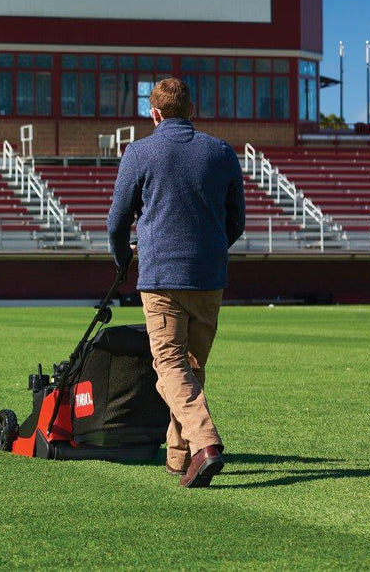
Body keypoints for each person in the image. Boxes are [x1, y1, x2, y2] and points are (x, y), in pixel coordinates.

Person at [107, 77, 245, 488]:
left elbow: (117, 220)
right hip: (209, 277)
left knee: (169, 366)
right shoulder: (221, 153)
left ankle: (204, 445)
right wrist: (214, 248)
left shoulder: (140, 151)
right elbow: (236, 220)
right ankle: (177, 457)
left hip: (162, 276)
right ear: (190, 111)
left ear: (154, 113)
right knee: (192, 370)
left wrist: (123, 258)